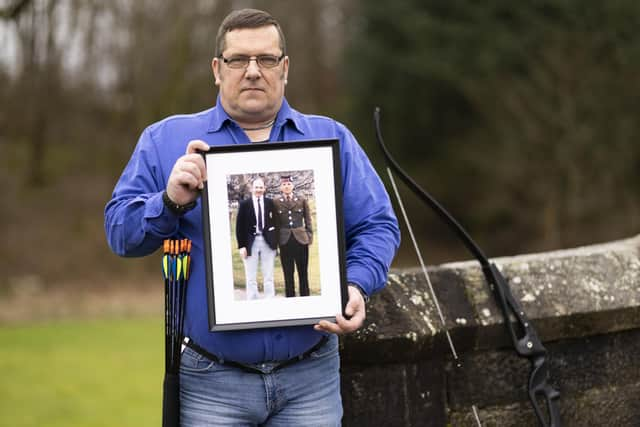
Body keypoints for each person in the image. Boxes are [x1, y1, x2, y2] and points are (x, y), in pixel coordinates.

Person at [105, 8, 400, 426]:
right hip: (211, 382)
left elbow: (378, 225)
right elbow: (120, 233)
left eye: (266, 59)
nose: (252, 72)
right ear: (216, 69)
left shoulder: (330, 138)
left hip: (310, 379)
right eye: (238, 59)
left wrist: (355, 282)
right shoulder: (164, 140)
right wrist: (169, 201)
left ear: (285, 68)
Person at [235, 177, 278, 299]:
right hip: (250, 243)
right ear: (251, 189)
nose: (258, 189)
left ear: (264, 189)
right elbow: (239, 227)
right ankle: (253, 300)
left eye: (261, 187)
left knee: (268, 275)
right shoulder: (244, 204)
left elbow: (276, 223)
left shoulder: (270, 203)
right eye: (256, 187)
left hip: (267, 242)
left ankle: (270, 299)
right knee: (250, 275)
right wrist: (242, 246)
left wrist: (275, 242)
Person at [274, 175, 313, 297]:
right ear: (281, 187)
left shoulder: (301, 200)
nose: (286, 186)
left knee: (303, 273)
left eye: (289, 184)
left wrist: (309, 236)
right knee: (288, 273)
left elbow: (308, 219)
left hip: (301, 240)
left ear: (293, 186)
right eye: (284, 184)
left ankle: (305, 298)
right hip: (285, 241)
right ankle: (290, 299)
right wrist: (276, 242)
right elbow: (275, 223)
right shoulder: (276, 202)